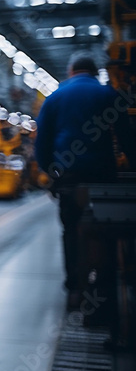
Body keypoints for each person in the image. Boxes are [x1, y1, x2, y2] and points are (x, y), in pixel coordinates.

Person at [35, 52, 134, 307]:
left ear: (70, 72)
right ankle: (103, 290)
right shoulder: (109, 94)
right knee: (106, 232)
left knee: (71, 232)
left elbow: (42, 145)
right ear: (94, 72)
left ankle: (75, 289)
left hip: (70, 179)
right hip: (103, 179)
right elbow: (127, 139)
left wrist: (52, 174)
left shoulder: (54, 98)